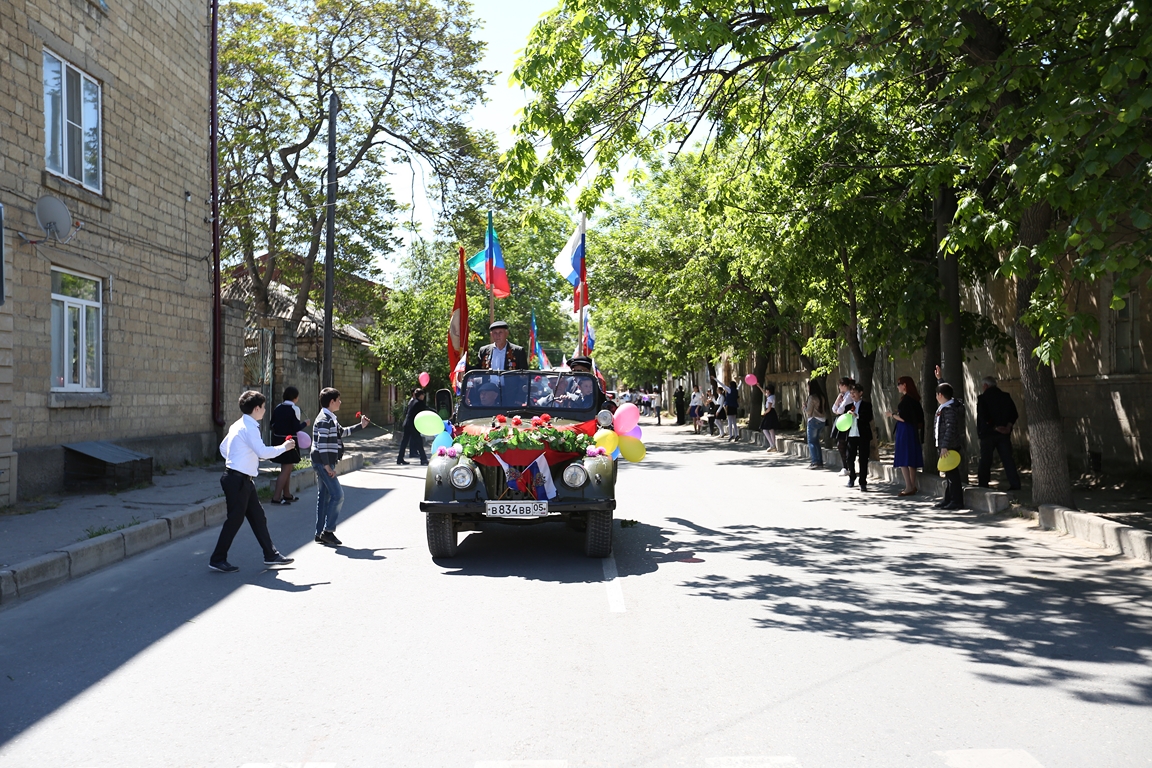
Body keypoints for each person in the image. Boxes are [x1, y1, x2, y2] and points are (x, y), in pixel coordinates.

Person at [210, 391, 296, 572]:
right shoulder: (250, 428)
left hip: (241, 479)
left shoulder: (238, 424)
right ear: (256, 408)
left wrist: (236, 460)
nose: (265, 410)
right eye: (263, 407)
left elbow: (223, 448)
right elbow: (263, 452)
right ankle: (217, 559)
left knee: (258, 517)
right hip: (238, 480)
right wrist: (284, 447)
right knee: (235, 520)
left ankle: (271, 555)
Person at [312, 387, 370, 546]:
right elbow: (322, 445)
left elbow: (342, 432)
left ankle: (319, 533)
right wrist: (327, 466)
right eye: (338, 400)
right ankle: (328, 531)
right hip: (322, 462)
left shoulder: (331, 418)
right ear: (332, 402)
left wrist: (361, 425)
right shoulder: (324, 419)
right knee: (338, 495)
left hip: (324, 462)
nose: (340, 402)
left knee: (324, 497)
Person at [977, 376, 1021, 490]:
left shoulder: (983, 398)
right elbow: (1014, 413)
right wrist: (1008, 426)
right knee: (1008, 459)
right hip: (1004, 434)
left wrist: (994, 427)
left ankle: (983, 484)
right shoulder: (1005, 396)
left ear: (985, 386)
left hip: (988, 434)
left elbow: (983, 416)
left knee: (985, 460)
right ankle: (1015, 484)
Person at [268, 386, 308, 505]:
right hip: (289, 441)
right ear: (295, 397)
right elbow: (296, 428)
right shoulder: (295, 409)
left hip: (277, 440)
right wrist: (305, 424)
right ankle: (276, 497)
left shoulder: (278, 407)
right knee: (286, 469)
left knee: (286, 468)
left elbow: (272, 424)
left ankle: (287, 494)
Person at [886, 376, 925, 496]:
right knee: (911, 458)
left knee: (904, 458)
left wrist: (892, 415)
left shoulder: (907, 400)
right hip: (912, 430)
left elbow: (904, 418)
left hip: (905, 430)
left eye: (899, 384)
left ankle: (908, 486)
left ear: (905, 385)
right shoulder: (914, 399)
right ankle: (912, 485)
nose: (898, 386)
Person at [934, 382, 966, 510]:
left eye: (937, 394)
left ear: (940, 395)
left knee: (952, 475)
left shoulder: (949, 409)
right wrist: (940, 379)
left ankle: (956, 501)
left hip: (949, 446)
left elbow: (950, 428)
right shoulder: (946, 406)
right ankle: (948, 499)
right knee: (949, 474)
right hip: (945, 444)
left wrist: (944, 446)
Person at [844, 383, 874, 491]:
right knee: (849, 458)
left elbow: (868, 418)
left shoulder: (866, 405)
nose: (852, 395)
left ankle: (863, 482)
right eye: (851, 393)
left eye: (854, 393)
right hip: (851, 435)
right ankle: (852, 477)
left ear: (860, 393)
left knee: (863, 458)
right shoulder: (848, 407)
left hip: (863, 435)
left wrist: (857, 416)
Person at [397, 388, 429, 466]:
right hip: (412, 425)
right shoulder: (419, 403)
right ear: (421, 395)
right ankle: (424, 459)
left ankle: (400, 459)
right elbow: (426, 410)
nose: (423, 396)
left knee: (404, 442)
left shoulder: (412, 402)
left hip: (407, 424)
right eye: (423, 395)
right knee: (419, 441)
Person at [830, 377, 855, 477]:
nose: (839, 387)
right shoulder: (842, 395)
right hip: (841, 420)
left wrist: (837, 409)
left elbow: (840, 410)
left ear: (844, 386)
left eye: (840, 385)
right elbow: (834, 409)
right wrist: (838, 399)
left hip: (846, 421)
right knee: (840, 443)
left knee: (843, 443)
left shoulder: (849, 396)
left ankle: (847, 466)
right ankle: (845, 466)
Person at [802, 380, 827, 468]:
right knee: (816, 442)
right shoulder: (822, 396)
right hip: (822, 420)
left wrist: (804, 408)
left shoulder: (812, 397)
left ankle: (814, 461)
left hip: (813, 420)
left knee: (811, 442)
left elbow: (809, 411)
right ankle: (819, 461)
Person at [759, 383, 779, 452]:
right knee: (771, 429)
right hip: (772, 413)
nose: (766, 391)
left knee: (764, 429)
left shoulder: (770, 398)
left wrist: (765, 413)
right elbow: (764, 393)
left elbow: (769, 408)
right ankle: (773, 445)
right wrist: (759, 386)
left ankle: (771, 444)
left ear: (769, 391)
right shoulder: (772, 396)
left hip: (769, 413)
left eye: (767, 390)